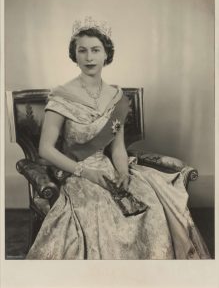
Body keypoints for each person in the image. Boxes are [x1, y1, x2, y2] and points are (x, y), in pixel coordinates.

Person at [26, 17, 210, 260]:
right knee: (98, 213)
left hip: (109, 169)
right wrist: (85, 172)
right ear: (75, 55)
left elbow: (118, 148)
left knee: (151, 206)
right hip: (78, 172)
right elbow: (46, 150)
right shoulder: (62, 96)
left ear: (106, 55)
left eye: (95, 50)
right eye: (82, 50)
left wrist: (123, 173)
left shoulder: (116, 98)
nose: (89, 57)